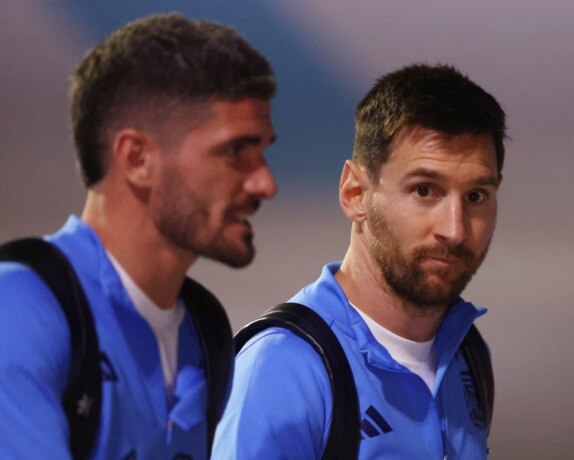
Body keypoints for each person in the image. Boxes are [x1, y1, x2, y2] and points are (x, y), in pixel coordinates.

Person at [0, 13, 277, 459]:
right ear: (137, 158)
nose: (266, 183)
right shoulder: (16, 308)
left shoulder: (204, 331)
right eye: (236, 151)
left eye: (263, 152)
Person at [212, 64, 506, 459]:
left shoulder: (468, 354)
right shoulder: (282, 369)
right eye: (424, 190)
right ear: (355, 193)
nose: (454, 230)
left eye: (475, 197)